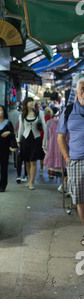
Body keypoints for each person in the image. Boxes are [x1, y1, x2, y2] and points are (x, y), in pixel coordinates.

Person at [57, 77, 84, 246]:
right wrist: (67, 158)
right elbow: (60, 138)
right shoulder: (68, 111)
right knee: (80, 200)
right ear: (76, 92)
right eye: (82, 88)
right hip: (76, 161)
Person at [17, 97, 46, 190]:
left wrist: (45, 141)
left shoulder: (39, 113)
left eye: (32, 101)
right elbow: (21, 129)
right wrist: (18, 140)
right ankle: (30, 179)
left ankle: (31, 182)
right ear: (25, 104)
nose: (31, 103)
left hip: (36, 139)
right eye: (29, 102)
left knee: (33, 161)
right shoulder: (22, 115)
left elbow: (45, 127)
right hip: (25, 140)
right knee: (27, 161)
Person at [0, 104, 15, 192]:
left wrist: (8, 132)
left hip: (5, 148)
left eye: (0, 110)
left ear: (4, 112)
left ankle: (2, 186)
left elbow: (13, 135)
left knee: (4, 167)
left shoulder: (8, 123)